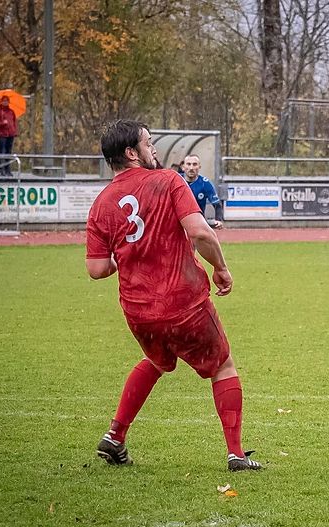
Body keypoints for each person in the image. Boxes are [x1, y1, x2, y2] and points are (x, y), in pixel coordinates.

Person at [86, 120, 260, 472]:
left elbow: (97, 269)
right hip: (183, 303)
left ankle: (115, 436)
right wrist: (222, 269)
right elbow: (200, 233)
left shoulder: (101, 203)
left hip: (139, 311)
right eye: (149, 144)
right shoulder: (167, 180)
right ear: (132, 153)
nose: (155, 151)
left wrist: (128, 256)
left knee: (157, 361)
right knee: (223, 366)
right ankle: (236, 454)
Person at [181, 154, 225, 229]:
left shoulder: (205, 183)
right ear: (183, 167)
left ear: (199, 167)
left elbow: (217, 205)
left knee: (211, 240)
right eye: (188, 164)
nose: (191, 168)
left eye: (195, 164)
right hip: (178, 222)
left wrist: (219, 220)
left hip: (197, 223)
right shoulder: (176, 180)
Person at [0, 96, 18, 176]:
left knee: (8, 152)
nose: (5, 102)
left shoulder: (11, 112)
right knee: (2, 151)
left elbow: (14, 122)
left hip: (11, 134)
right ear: (1, 102)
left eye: (7, 101)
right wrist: (2, 123)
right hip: (3, 134)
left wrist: (15, 131)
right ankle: (1, 169)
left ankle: (7, 169)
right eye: (4, 101)